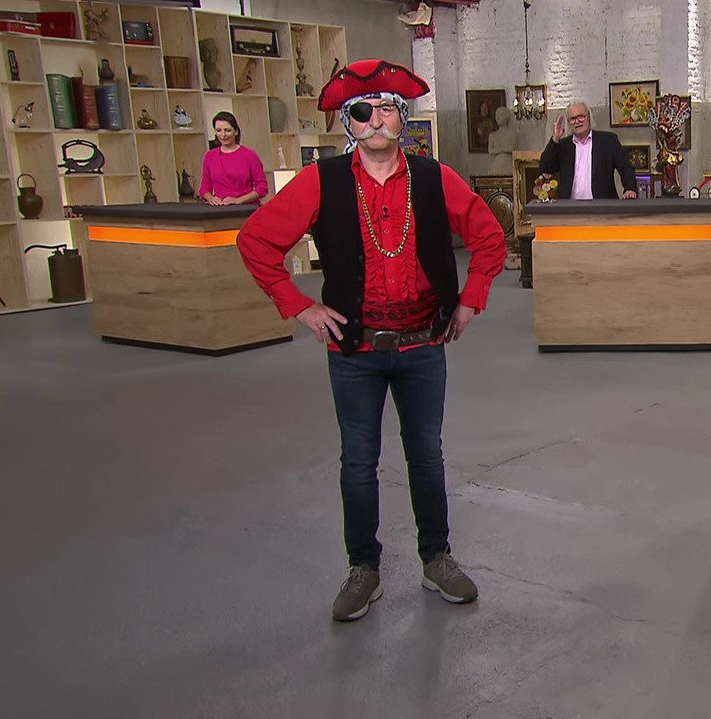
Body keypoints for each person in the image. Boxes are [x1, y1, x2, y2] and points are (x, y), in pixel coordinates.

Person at [236, 59, 506, 621]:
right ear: (349, 123)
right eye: (363, 111)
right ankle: (363, 568)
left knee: (426, 456)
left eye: (386, 108)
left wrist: (470, 300)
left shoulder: (434, 177)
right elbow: (256, 240)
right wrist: (300, 306)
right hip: (354, 352)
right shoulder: (322, 181)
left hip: (423, 345)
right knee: (358, 462)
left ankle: (436, 559)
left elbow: (489, 237)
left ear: (403, 118)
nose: (375, 119)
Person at [539, 102, 637, 199]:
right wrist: (555, 138)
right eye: (572, 119)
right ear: (568, 122)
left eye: (581, 116)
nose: (577, 121)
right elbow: (545, 167)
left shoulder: (608, 140)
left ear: (589, 117)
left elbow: (625, 167)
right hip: (570, 206)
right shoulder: (563, 145)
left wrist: (630, 188)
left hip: (602, 205)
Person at [199, 112, 268, 205]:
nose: (223, 135)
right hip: (220, 209)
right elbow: (204, 189)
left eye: (227, 130)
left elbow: (262, 188)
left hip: (246, 208)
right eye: (218, 130)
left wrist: (238, 200)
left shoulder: (250, 155)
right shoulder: (209, 156)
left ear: (236, 131)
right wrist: (211, 198)